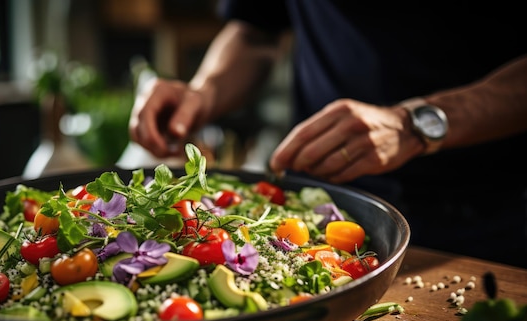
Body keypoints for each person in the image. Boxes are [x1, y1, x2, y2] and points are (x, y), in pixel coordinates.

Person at [128, 0, 527, 268]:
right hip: (324, 203)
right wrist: (205, 90)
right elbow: (255, 31)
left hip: (491, 214)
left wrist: (416, 124)